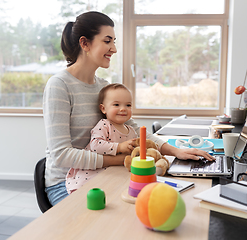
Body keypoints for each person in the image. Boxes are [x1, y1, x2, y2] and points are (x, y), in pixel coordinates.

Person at [43, 11, 214, 206]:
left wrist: (176, 151)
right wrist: (122, 159)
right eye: (107, 41)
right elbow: (62, 155)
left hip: (101, 174)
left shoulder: (103, 86)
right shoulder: (59, 85)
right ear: (85, 43)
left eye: (114, 41)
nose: (114, 48)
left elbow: (135, 131)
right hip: (66, 182)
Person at [65, 83, 137, 194]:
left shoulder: (132, 131)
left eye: (128, 105)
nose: (123, 109)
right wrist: (119, 147)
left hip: (116, 173)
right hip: (92, 172)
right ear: (103, 109)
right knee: (90, 193)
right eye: (116, 104)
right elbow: (95, 145)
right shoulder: (104, 125)